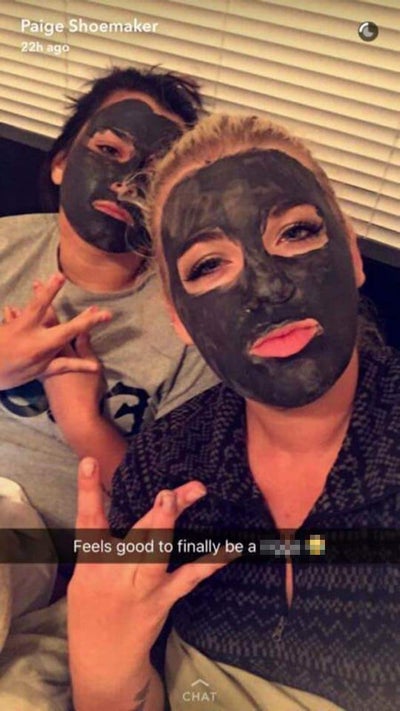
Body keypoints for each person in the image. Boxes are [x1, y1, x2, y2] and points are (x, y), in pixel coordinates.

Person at [68, 114, 399, 711]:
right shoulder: (163, 467)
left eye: (295, 233)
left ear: (351, 255)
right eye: (208, 265)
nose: (267, 288)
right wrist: (101, 659)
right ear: (178, 317)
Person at [0, 66, 217, 533]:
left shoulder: (194, 324)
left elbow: (175, 515)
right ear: (61, 163)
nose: (124, 184)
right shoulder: (4, 245)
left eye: (155, 172)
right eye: (109, 151)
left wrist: (84, 424)